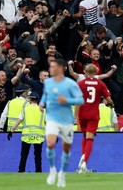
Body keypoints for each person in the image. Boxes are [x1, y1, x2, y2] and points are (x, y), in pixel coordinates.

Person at [40, 59, 84, 187]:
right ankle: (52, 169)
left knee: (66, 148)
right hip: (52, 118)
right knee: (50, 143)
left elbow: (80, 100)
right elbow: (45, 95)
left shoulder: (70, 84)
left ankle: (62, 174)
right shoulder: (48, 82)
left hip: (66, 120)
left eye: (52, 67)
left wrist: (67, 100)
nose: (50, 69)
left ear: (60, 69)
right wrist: (42, 103)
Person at [76, 64, 113, 173]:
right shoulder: (100, 84)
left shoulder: (80, 84)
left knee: (84, 135)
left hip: (82, 114)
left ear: (85, 72)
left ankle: (83, 160)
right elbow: (108, 99)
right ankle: (84, 162)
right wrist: (111, 103)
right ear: (96, 72)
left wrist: (75, 115)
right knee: (90, 138)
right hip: (93, 114)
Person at [10, 93, 46, 173]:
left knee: (24, 155)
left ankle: (21, 170)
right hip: (38, 136)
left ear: (29, 99)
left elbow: (18, 121)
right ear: (37, 100)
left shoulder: (25, 109)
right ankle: (38, 171)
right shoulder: (43, 110)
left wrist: (11, 130)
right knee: (38, 155)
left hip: (26, 136)